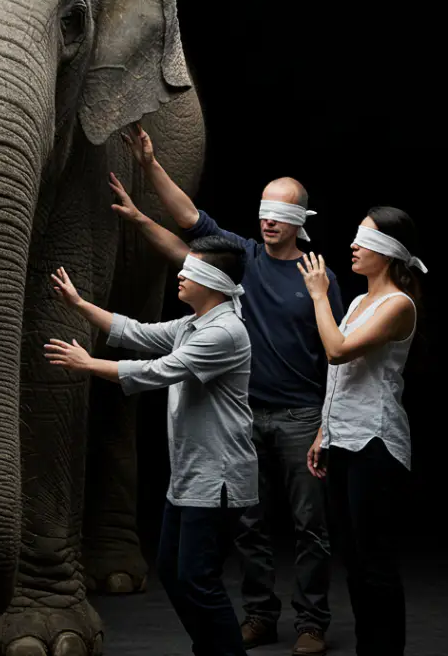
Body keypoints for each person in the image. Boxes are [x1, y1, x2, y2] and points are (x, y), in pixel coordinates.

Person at [114, 123, 342, 654]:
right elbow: (189, 230)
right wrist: (149, 168)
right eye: (264, 209)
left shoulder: (317, 276)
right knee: (248, 525)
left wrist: (326, 426)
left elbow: (340, 353)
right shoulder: (244, 261)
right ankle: (260, 614)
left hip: (302, 415)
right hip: (243, 417)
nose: (267, 220)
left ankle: (311, 622)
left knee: (311, 525)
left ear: (301, 222)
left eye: (281, 214)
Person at [45, 236, 257, 656]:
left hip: (218, 480)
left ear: (213, 281)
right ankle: (211, 648)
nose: (180, 275)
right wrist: (78, 304)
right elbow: (136, 332)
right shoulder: (192, 324)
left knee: (197, 580)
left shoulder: (225, 332)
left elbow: (157, 372)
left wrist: (88, 364)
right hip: (190, 476)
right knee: (174, 573)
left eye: (190, 271)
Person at [299, 208, 426, 656]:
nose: (352, 245)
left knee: (375, 562)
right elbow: (344, 380)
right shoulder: (356, 302)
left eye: (364, 239)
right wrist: (322, 432)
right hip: (343, 440)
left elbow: (336, 352)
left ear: (389, 253)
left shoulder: (398, 305)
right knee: (352, 561)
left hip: (376, 443)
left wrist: (318, 295)